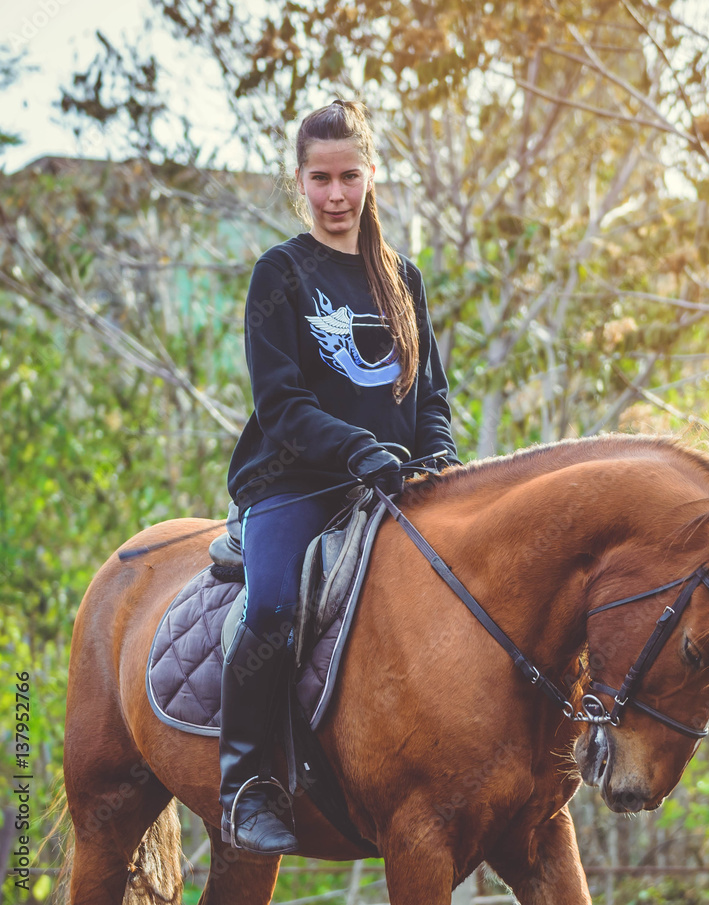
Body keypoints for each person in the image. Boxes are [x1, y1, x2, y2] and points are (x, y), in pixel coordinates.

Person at [221, 99, 460, 853]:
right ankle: (247, 780)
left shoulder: (403, 277)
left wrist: (439, 459)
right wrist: (357, 448)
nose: (335, 195)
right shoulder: (280, 273)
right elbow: (281, 404)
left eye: (348, 176)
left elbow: (433, 398)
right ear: (299, 181)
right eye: (319, 178)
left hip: (393, 487)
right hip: (294, 486)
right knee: (273, 609)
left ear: (371, 175)